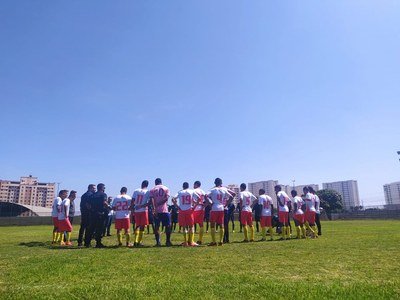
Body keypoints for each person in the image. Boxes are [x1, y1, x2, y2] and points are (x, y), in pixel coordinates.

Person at [205, 178, 235, 246]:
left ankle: (214, 242)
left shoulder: (212, 189)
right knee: (222, 225)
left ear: (214, 183)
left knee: (212, 225)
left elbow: (205, 196)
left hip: (214, 207)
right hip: (221, 208)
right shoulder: (224, 189)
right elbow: (232, 196)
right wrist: (226, 204)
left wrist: (210, 203)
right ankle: (221, 241)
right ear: (221, 183)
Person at [172, 182, 199, 246]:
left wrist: (178, 207)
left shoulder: (180, 192)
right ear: (188, 186)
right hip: (189, 210)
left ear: (182, 186)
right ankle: (191, 242)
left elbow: (173, 199)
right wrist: (194, 207)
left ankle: (185, 242)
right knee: (191, 226)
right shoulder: (191, 191)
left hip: (182, 210)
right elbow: (199, 198)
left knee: (184, 227)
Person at [85, 183, 108, 248]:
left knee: (91, 228)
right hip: (100, 214)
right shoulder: (103, 194)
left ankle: (87, 243)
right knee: (99, 229)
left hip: (93, 214)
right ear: (102, 188)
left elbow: (87, 204)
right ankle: (98, 243)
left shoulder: (92, 195)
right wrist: (109, 207)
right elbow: (104, 203)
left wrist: (91, 210)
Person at [150, 178, 172, 247]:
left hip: (157, 210)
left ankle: (158, 242)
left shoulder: (152, 189)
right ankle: (168, 241)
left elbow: (152, 199)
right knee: (168, 226)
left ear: (155, 182)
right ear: (161, 182)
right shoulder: (166, 188)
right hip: (164, 210)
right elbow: (166, 198)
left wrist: (154, 208)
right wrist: (160, 203)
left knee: (157, 226)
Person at [132, 180, 151, 247]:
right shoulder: (148, 192)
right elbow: (149, 202)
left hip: (136, 210)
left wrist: (133, 209)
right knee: (142, 226)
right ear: (147, 185)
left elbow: (133, 201)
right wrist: (142, 206)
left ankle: (135, 241)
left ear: (141, 184)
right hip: (143, 210)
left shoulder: (136, 190)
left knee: (137, 225)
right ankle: (139, 242)